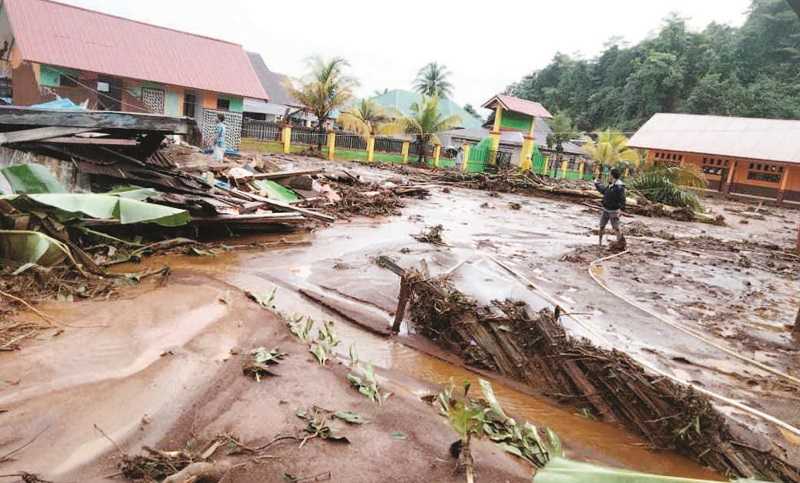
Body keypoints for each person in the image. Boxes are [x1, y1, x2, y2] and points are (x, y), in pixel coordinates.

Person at [594, 167, 626, 247]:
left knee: (616, 228)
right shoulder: (611, 185)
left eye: (609, 174)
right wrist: (597, 184)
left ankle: (621, 243)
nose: (608, 176)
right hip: (605, 209)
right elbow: (604, 191)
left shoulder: (619, 187)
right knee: (601, 226)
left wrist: (621, 210)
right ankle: (600, 244)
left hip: (614, 211)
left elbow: (622, 199)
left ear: (612, 176)